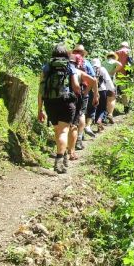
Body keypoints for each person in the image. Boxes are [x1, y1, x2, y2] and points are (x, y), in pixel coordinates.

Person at [37, 44, 79, 174]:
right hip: (66, 102)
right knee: (63, 131)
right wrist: (77, 94)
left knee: (57, 130)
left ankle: (63, 154)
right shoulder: (70, 67)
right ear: (67, 54)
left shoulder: (46, 67)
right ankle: (59, 161)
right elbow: (76, 86)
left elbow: (41, 90)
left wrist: (40, 109)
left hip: (50, 102)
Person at [69, 45, 99, 159]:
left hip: (68, 94)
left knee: (70, 118)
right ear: (83, 53)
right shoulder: (85, 63)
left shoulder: (69, 61)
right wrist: (89, 93)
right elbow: (93, 79)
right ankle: (79, 139)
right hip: (82, 92)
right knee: (81, 115)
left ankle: (69, 143)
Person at [91, 58, 115, 131]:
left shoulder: (90, 69)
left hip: (93, 91)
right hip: (102, 91)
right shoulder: (102, 69)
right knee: (103, 108)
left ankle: (98, 123)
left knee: (96, 108)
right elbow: (108, 80)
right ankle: (99, 120)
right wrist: (112, 89)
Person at [103, 51, 123, 123]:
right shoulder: (114, 61)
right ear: (114, 57)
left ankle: (104, 115)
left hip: (103, 81)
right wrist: (114, 71)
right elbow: (120, 64)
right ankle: (110, 114)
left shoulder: (103, 62)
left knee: (105, 97)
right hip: (111, 80)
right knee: (112, 98)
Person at [114, 41, 133, 112]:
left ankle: (126, 106)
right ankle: (130, 103)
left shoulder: (116, 53)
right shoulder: (130, 52)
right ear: (127, 46)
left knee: (123, 91)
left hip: (120, 74)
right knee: (131, 89)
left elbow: (114, 65)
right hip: (130, 74)